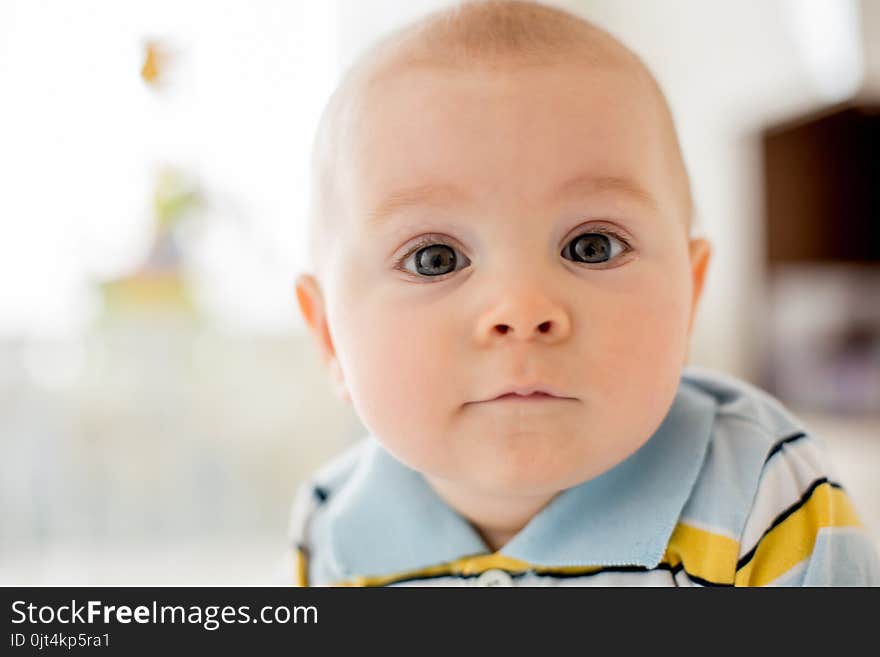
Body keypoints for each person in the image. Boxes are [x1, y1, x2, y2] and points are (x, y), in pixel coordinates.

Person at [287, 0, 880, 586]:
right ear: (329, 335)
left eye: (591, 246)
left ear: (690, 296)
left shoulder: (766, 494)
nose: (522, 310)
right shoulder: (331, 530)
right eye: (434, 259)